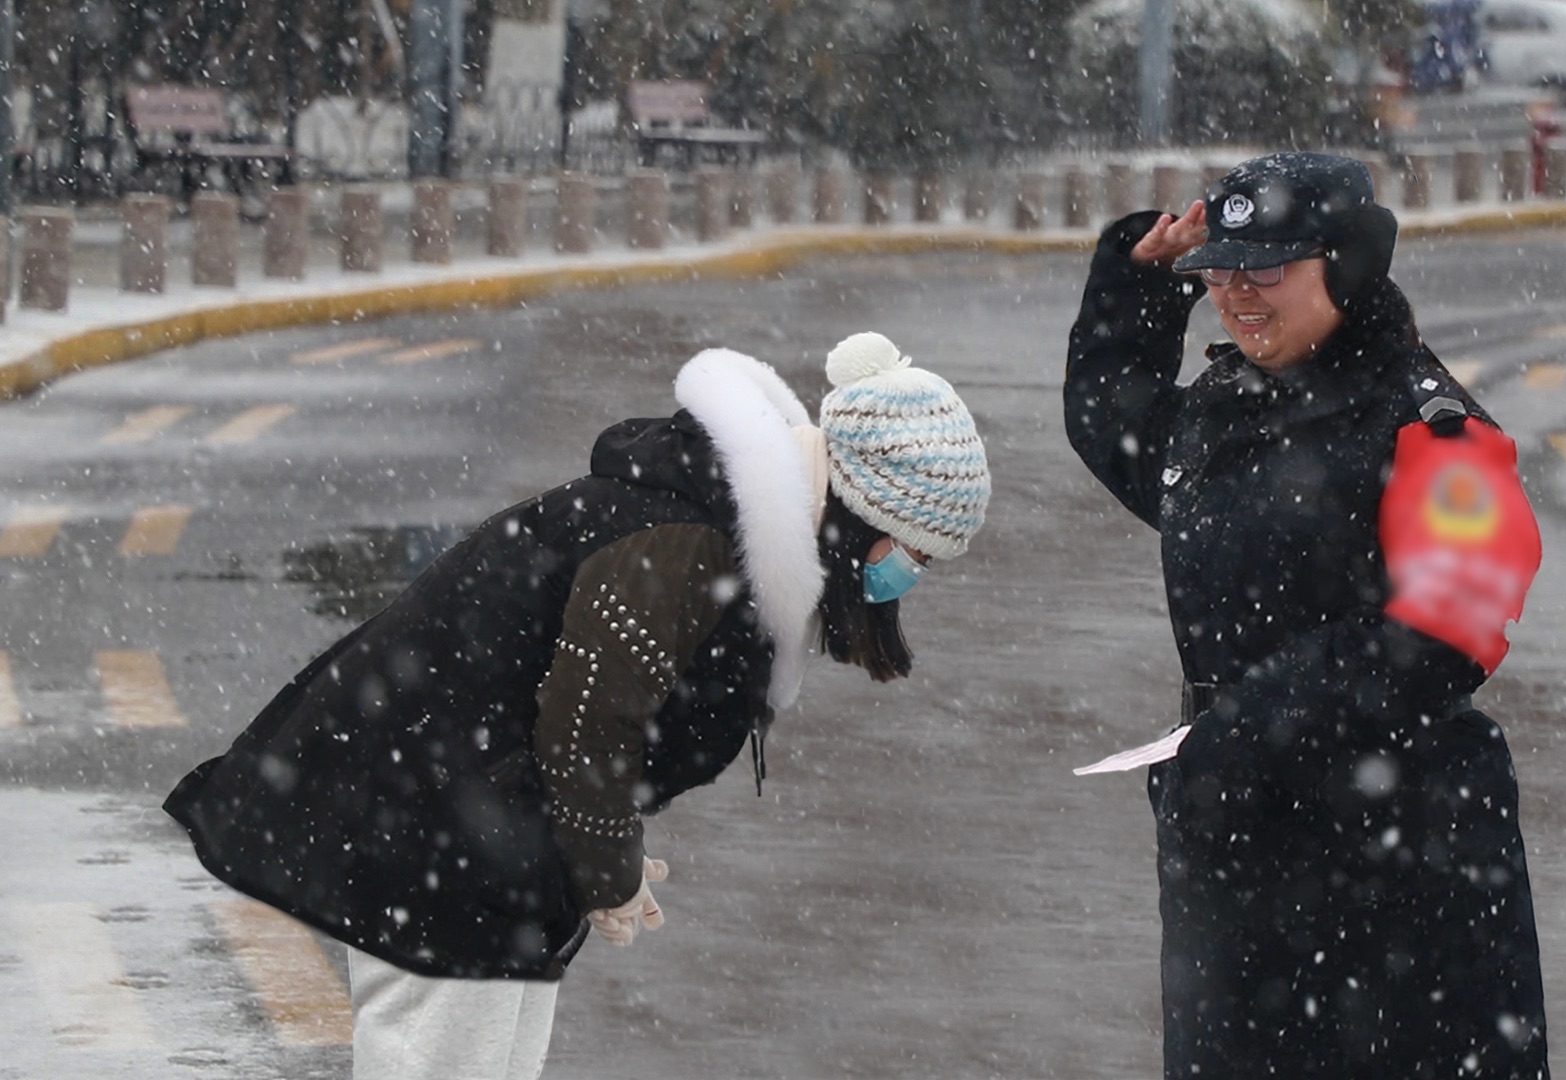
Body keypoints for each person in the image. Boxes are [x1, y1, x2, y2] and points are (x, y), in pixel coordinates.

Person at [164, 331, 990, 1080]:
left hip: (474, 830)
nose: (905, 576)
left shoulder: (721, 527)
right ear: (862, 510)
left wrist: (602, 859)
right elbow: (590, 729)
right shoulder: (686, 541)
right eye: (911, 553)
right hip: (433, 826)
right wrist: (608, 869)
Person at [1064, 152, 1550, 1078]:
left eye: (1269, 268)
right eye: (1221, 270)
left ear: (1348, 265)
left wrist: (1254, 725)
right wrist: (1140, 287)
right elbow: (1113, 423)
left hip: (1401, 853)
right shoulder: (1220, 410)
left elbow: (1456, 619)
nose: (1238, 294)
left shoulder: (1432, 427)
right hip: (1236, 844)